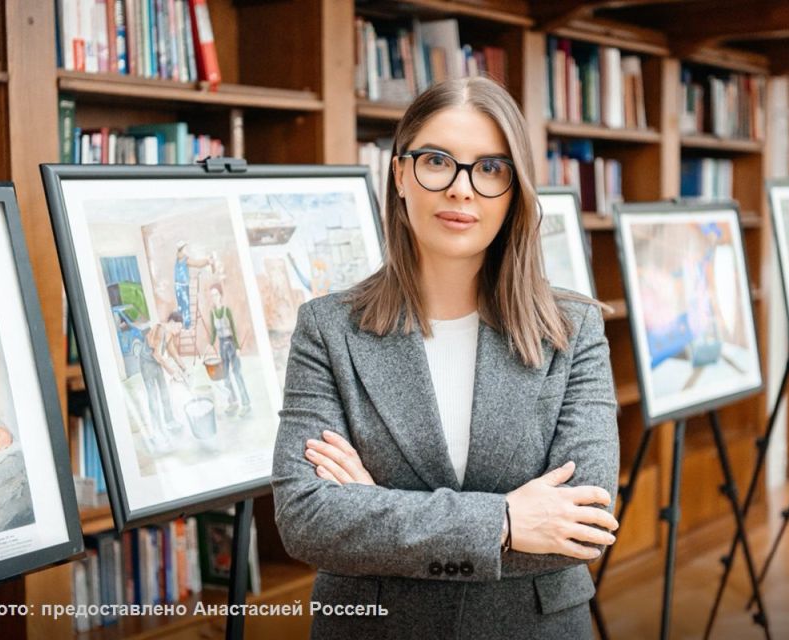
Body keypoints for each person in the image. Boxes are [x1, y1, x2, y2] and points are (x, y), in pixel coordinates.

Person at [271, 77, 619, 639]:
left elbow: (584, 527)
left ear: (514, 190)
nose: (462, 189)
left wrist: (377, 508)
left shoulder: (573, 330)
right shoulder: (327, 329)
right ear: (401, 173)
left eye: (490, 168)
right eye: (438, 161)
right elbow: (308, 521)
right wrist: (506, 521)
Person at [140, 310, 189, 450]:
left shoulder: (169, 334)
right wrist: (172, 371)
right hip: (147, 364)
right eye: (178, 327)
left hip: (156, 363)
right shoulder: (160, 329)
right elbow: (156, 354)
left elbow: (172, 351)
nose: (179, 331)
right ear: (172, 323)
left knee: (164, 393)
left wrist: (184, 367)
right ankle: (156, 431)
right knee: (153, 398)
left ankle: (170, 421)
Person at [207, 283, 252, 417]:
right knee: (225, 375)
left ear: (220, 295)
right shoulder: (212, 313)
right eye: (212, 295)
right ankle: (233, 402)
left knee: (237, 374)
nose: (214, 297)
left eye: (215, 294)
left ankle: (246, 404)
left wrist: (238, 347)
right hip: (221, 345)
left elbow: (233, 329)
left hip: (231, 343)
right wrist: (210, 343)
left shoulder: (227, 310)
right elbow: (214, 331)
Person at [174, 241, 212, 329]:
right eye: (185, 248)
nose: (187, 249)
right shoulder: (185, 259)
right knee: (186, 305)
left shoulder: (178, 258)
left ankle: (180, 325)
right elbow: (197, 264)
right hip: (183, 286)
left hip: (177, 285)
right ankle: (187, 326)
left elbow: (182, 271)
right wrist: (207, 261)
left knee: (180, 306)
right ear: (182, 249)